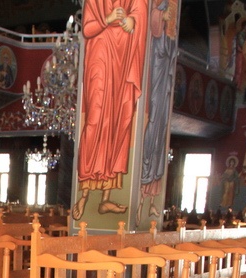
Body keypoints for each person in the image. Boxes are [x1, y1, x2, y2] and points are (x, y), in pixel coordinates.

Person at [72, 0, 148, 219]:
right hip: (99, 55)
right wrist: (108, 19)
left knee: (117, 124)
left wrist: (132, 21)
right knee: (95, 120)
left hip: (123, 58)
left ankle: (105, 198)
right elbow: (87, 28)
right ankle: (84, 194)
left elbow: (140, 12)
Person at [138, 0, 178, 224]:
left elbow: (170, 51)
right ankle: (142, 192)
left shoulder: (168, 40)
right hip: (155, 78)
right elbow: (152, 25)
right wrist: (160, 16)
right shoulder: (155, 42)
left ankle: (150, 198)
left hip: (164, 85)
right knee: (153, 122)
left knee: (160, 127)